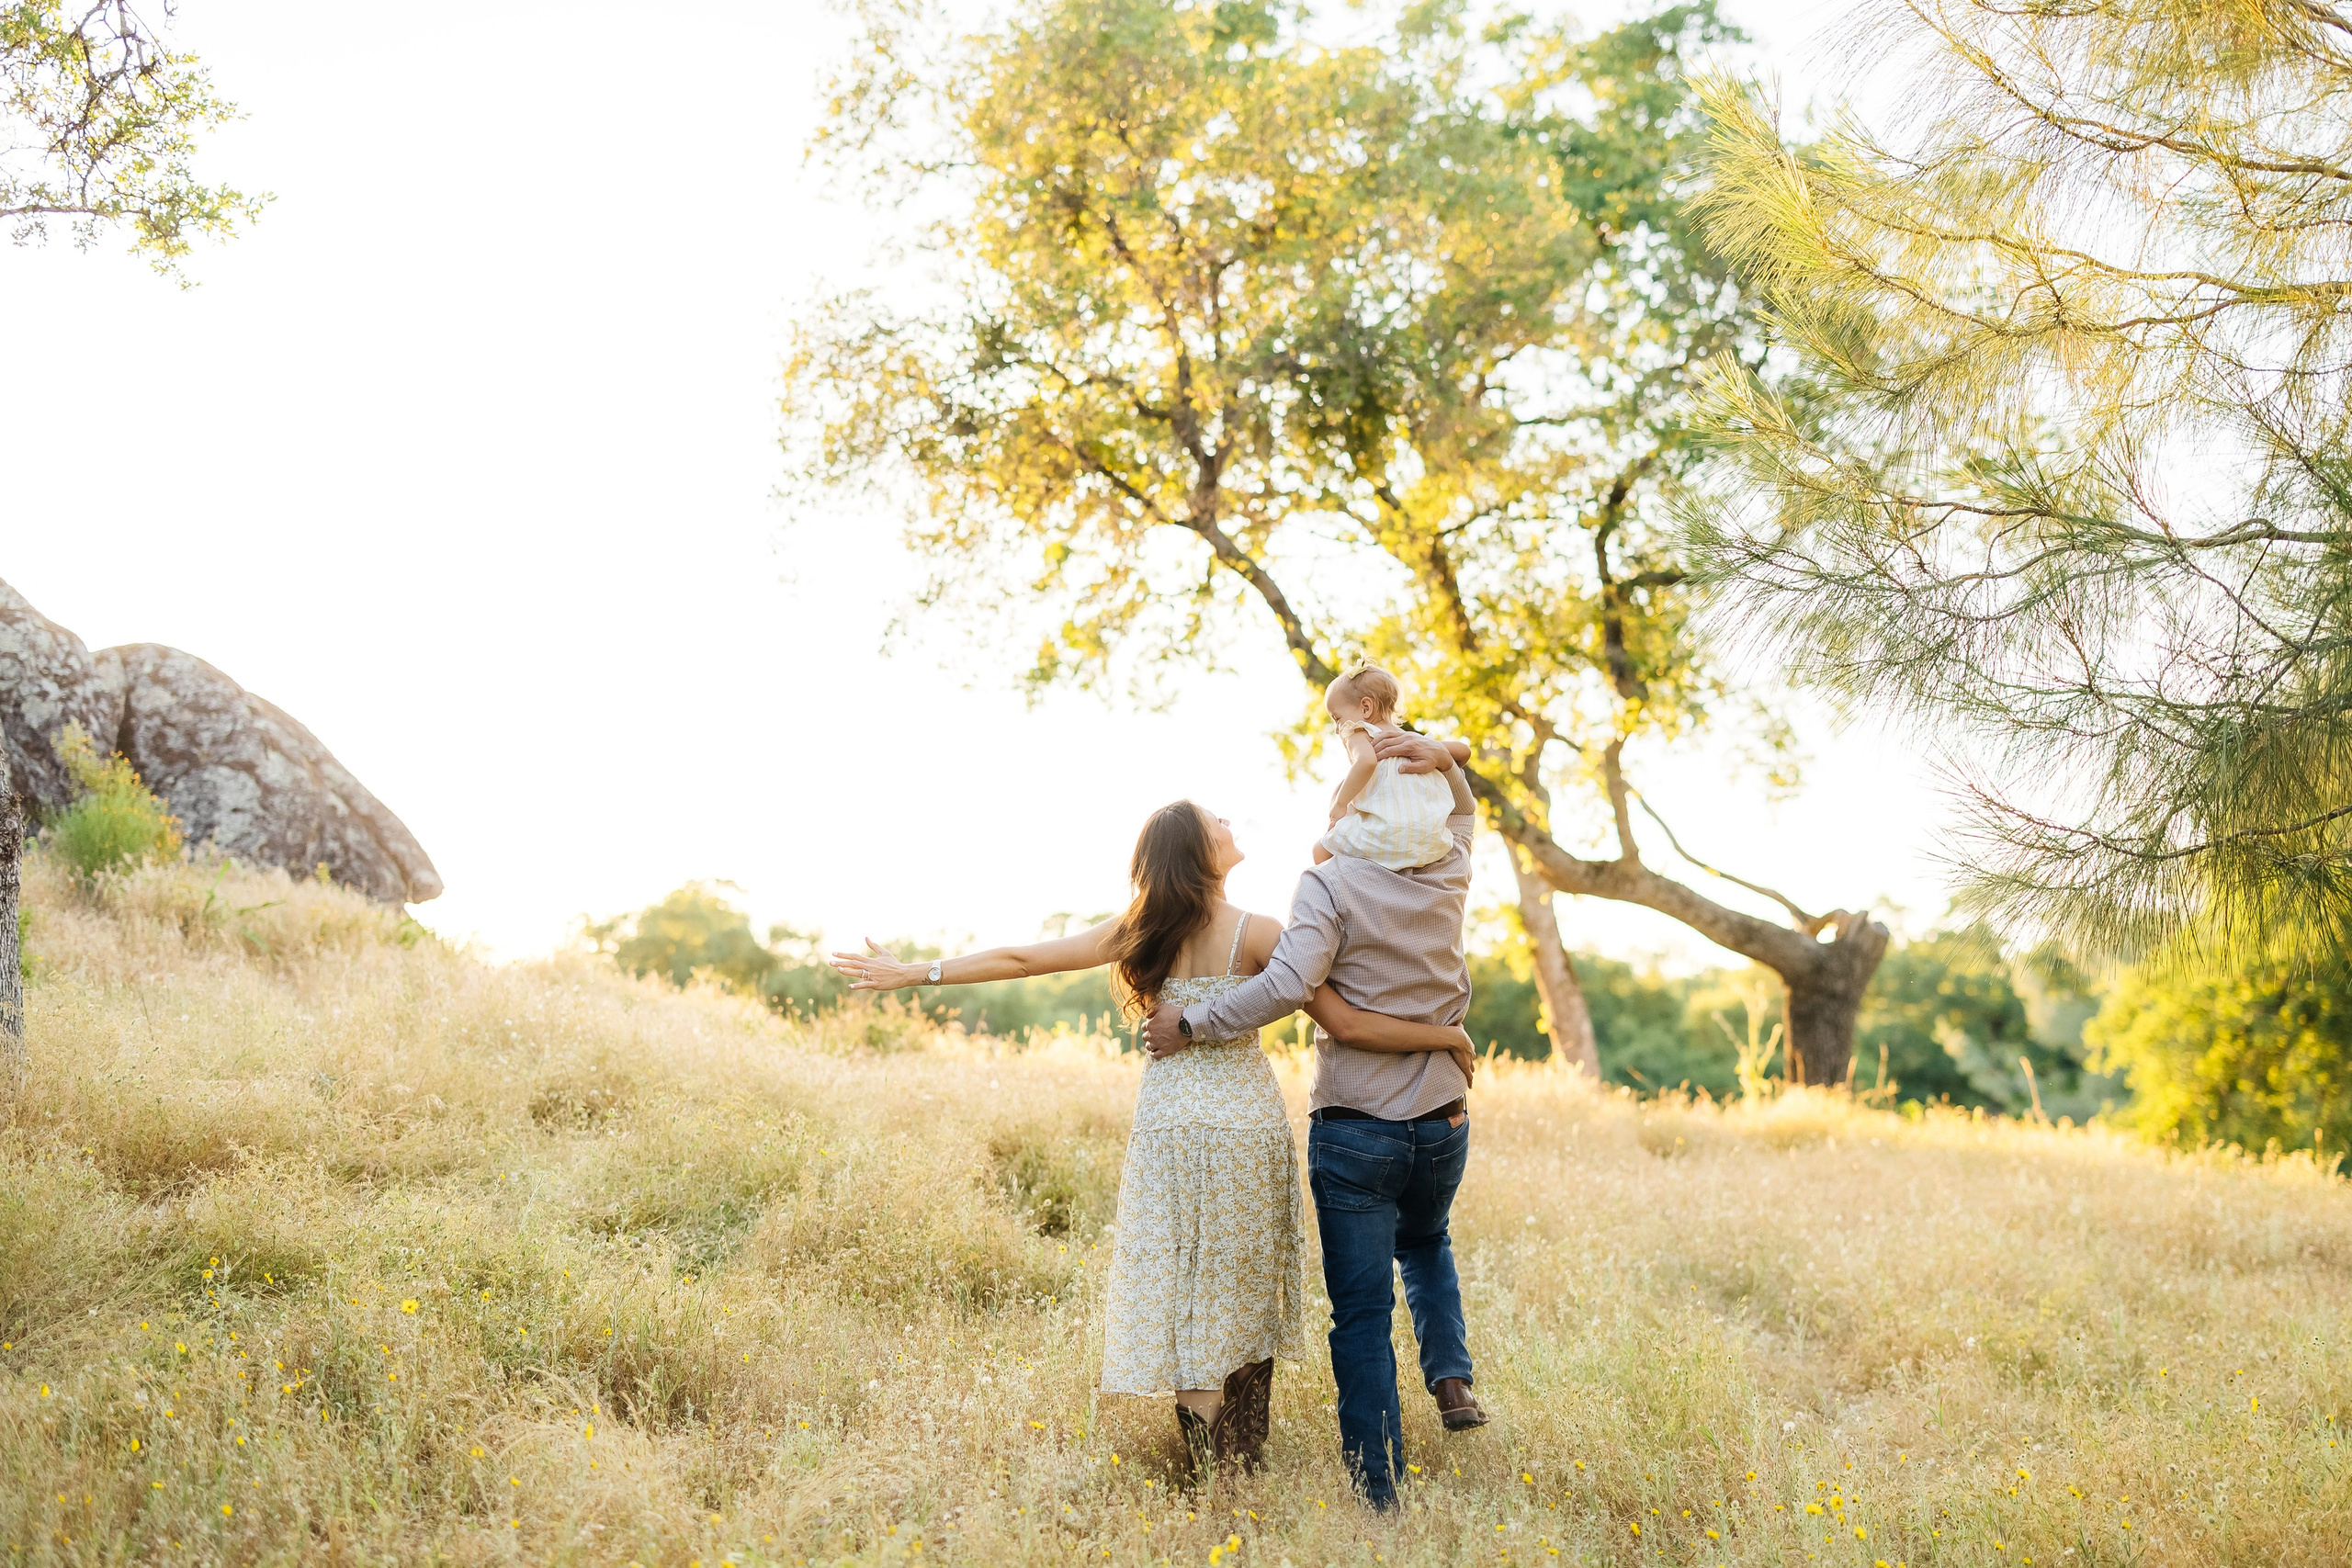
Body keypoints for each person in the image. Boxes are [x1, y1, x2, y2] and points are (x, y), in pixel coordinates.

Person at [829, 800, 1474, 1482]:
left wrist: (918, 972)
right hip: (1241, 1127)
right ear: (1200, 849)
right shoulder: (1259, 932)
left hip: (1168, 1123)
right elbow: (1346, 1019)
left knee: (1185, 1284)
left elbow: (1024, 959)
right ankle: (1237, 1464)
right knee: (1238, 1282)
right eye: (1216, 818)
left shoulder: (1141, 931)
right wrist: (1446, 1034)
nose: (1231, 820)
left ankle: (1208, 1465)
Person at [1143, 728, 1485, 1511]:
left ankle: (1380, 1496)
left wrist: (1194, 1025)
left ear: (1347, 815)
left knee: (1361, 1315)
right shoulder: (1450, 869)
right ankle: (1452, 1376)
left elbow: (1291, 983)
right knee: (1427, 1239)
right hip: (1441, 1115)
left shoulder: (1325, 885)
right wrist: (1448, 767)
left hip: (1355, 1125)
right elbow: (1462, 820)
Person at [1316, 663, 1455, 872]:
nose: (1338, 729)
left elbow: (1366, 762)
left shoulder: (1359, 732)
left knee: (1320, 850)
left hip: (1387, 833)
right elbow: (1462, 750)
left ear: (1366, 708)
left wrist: (1340, 804)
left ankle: (1350, 893)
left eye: (1337, 718)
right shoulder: (1414, 742)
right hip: (1430, 841)